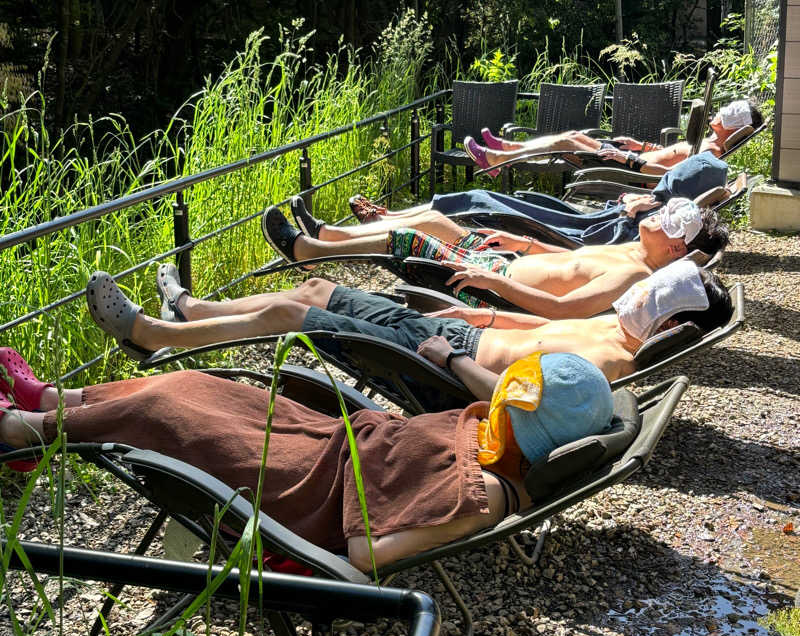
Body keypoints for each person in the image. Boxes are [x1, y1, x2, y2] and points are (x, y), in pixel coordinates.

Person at [0, 347, 614, 569]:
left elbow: (371, 550)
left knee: (167, 411)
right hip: (325, 439)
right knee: (197, 385)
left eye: (507, 401)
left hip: (301, 491)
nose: (495, 399)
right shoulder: (493, 442)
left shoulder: (488, 491)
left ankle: (25, 432)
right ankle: (56, 400)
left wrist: (312, 557)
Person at [84, 259, 733, 390]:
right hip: (458, 335)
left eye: (653, 304)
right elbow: (528, 325)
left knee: (290, 314)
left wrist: (450, 358)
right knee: (317, 286)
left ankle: (151, 335)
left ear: (671, 328)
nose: (637, 301)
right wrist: (470, 313)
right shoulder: (617, 327)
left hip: (437, 367)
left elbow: (514, 398)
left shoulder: (615, 365)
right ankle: (192, 310)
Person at [261, 196, 729, 315]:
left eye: (665, 221)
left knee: (411, 242)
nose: (654, 215)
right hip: (498, 264)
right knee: (430, 220)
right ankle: (330, 234)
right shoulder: (633, 249)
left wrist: (496, 283)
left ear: (674, 248)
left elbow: (561, 311)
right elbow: (570, 258)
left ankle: (308, 251)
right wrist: (523, 244)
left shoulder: (632, 278)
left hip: (493, 290)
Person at [295, 151, 732, 249]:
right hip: (572, 223)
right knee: (478, 193)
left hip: (558, 237)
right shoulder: (657, 217)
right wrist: (639, 204)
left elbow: (586, 246)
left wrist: (633, 209)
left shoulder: (653, 236)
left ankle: (333, 237)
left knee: (470, 203)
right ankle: (381, 218)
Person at [463, 98, 764, 177]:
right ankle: (510, 149)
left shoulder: (711, 154)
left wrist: (629, 157)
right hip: (631, 158)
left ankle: (498, 158)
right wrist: (640, 146)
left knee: (567, 143)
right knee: (573, 134)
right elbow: (669, 153)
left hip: (628, 169)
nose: (720, 112)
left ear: (734, 127)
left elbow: (671, 173)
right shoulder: (705, 143)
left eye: (728, 113)